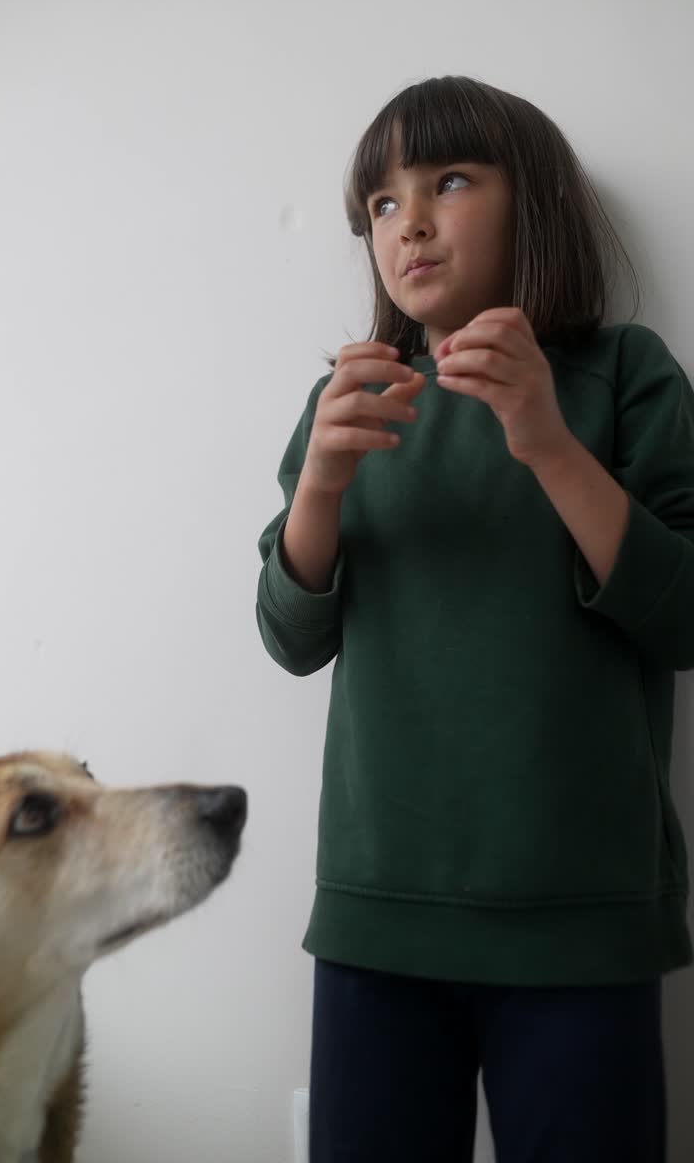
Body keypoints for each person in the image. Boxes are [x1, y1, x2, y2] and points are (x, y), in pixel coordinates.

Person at [256, 75, 694, 1162]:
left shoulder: (624, 375)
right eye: (381, 202)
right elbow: (290, 633)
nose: (409, 220)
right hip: (374, 914)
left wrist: (545, 436)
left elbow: (687, 618)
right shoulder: (347, 402)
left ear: (534, 200)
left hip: (579, 914)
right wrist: (318, 487)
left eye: (449, 180)